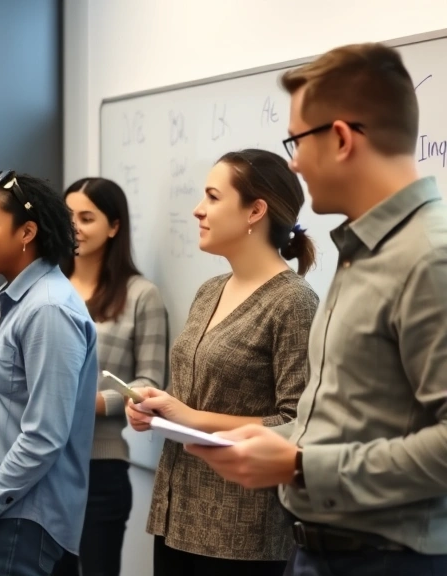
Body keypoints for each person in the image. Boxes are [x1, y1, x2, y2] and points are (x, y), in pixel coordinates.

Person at [186, 43, 447, 576]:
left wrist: (302, 463)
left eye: (296, 141)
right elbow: (355, 422)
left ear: (342, 138)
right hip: (319, 551)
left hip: (386, 560)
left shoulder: (429, 257)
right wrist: (272, 441)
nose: (295, 162)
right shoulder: (362, 253)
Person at [124, 148, 319, 576]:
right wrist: (159, 407)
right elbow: (197, 394)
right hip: (176, 515)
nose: (198, 210)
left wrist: (191, 416)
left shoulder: (293, 302)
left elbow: (295, 424)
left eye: (212, 197)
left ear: (256, 211)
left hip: (242, 535)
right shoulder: (209, 289)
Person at [0, 171, 98, 576]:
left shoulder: (48, 308)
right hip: (10, 515)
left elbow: (43, 435)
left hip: (23, 519)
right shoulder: (23, 303)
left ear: (27, 232)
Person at [52, 178, 168, 576]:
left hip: (100, 468)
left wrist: (95, 403)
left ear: (114, 226)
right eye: (68, 217)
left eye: (87, 218)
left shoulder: (140, 294)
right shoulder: (48, 286)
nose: (74, 228)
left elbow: (149, 382)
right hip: (42, 463)